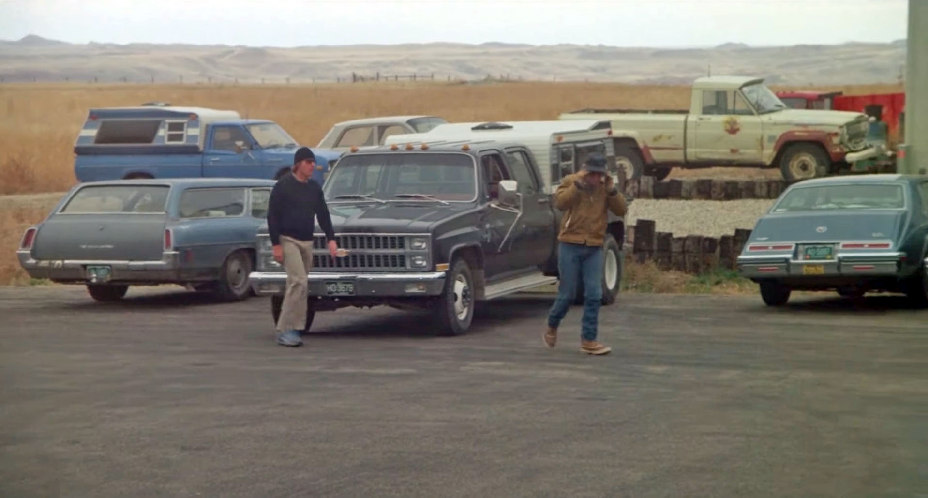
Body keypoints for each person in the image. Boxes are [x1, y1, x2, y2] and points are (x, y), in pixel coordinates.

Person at [543, 153, 627, 355]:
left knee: (594, 293)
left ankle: (589, 339)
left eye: (600, 175)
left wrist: (612, 191)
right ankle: (552, 324)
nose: (596, 179)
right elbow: (560, 203)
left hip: (594, 245)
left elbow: (622, 210)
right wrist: (577, 186)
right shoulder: (570, 182)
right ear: (584, 172)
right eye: (592, 174)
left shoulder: (605, 188)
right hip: (570, 244)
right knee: (567, 294)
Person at [267, 147, 338, 347]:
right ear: (298, 164)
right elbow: (272, 217)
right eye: (308, 162)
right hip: (288, 240)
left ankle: (296, 327)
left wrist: (331, 239)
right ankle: (285, 329)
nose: (312, 166)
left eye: (313, 162)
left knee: (300, 286)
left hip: (307, 241)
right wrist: (276, 245)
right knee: (298, 281)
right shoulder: (282, 186)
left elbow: (323, 214)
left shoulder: (314, 188)